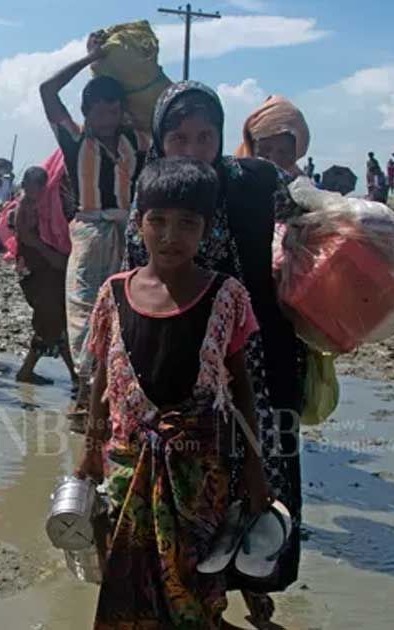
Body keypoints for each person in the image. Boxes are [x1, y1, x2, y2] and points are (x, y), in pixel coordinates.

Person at [125, 81, 306, 624]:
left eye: (205, 137)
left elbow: (311, 221)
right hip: (185, 358)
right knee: (193, 479)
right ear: (160, 140)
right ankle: (202, 595)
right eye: (179, 137)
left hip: (257, 357)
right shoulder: (153, 191)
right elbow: (139, 279)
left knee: (262, 474)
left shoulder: (253, 180)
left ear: (223, 137)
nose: (193, 149)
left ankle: (256, 583)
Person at [79, 156, 271, 629]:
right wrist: (87, 456)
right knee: (127, 582)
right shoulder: (113, 293)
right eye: (157, 221)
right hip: (125, 467)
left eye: (187, 223)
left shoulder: (225, 295)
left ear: (206, 228)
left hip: (198, 472)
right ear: (139, 222)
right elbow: (102, 381)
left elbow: (241, 390)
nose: (170, 235)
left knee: (195, 588)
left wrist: (253, 470)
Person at [39, 34, 149, 370]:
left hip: (130, 232)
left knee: (128, 307)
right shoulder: (76, 142)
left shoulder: (138, 141)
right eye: (98, 111)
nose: (106, 118)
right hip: (88, 233)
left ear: (122, 111)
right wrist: (91, 59)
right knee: (83, 307)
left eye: (113, 110)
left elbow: (162, 109)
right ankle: (87, 381)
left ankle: (115, 381)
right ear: (86, 112)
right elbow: (48, 91)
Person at [12, 167, 78, 385]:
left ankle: (72, 375)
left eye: (39, 187)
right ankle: (30, 371)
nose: (35, 191)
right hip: (34, 266)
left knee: (54, 319)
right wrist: (51, 255)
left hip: (41, 265)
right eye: (32, 186)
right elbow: (26, 237)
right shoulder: (24, 205)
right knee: (51, 317)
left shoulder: (41, 203)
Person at [234, 95, 310, 180]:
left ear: (294, 156)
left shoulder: (302, 190)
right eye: (265, 149)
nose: (272, 159)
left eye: (282, 153)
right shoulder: (230, 180)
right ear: (252, 145)